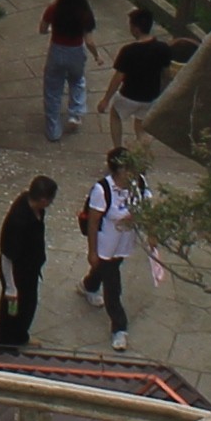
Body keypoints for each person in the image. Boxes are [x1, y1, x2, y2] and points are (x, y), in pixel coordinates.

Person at [82, 150, 151, 352]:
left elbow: (146, 207)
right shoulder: (102, 190)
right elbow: (93, 223)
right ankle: (119, 327)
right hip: (106, 243)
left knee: (107, 269)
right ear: (119, 169)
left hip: (124, 242)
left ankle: (89, 285)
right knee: (113, 284)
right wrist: (92, 252)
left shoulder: (139, 183)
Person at [104, 6, 190, 149]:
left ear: (136, 29)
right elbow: (166, 74)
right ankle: (142, 154)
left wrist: (106, 99)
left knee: (115, 116)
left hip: (129, 95)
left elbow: (118, 78)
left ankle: (118, 149)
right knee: (141, 127)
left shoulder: (128, 51)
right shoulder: (163, 48)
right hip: (150, 97)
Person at [37, 0, 99, 149]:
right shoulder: (84, 12)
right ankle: (75, 113)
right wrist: (96, 55)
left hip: (57, 50)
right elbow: (89, 41)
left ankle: (53, 130)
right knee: (77, 80)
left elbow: (42, 29)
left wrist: (51, 28)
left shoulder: (54, 9)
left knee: (52, 89)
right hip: (76, 51)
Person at [0, 172, 51, 349]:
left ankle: (19, 336)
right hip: (17, 275)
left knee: (27, 307)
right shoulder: (18, 221)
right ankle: (3, 344)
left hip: (29, 270)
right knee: (10, 312)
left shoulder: (36, 210)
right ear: (42, 199)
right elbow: (7, 255)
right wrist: (10, 286)